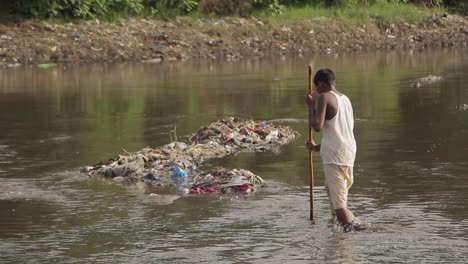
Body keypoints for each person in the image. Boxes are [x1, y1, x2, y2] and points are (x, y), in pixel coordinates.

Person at [305, 68, 363, 232]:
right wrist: (317, 147)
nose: (317, 91)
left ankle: (353, 232)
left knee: (339, 206)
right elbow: (340, 132)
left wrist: (311, 106)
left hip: (335, 157)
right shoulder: (345, 99)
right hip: (348, 152)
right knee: (333, 193)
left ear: (321, 84)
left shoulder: (324, 96)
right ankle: (338, 235)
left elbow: (317, 126)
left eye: (317, 87)